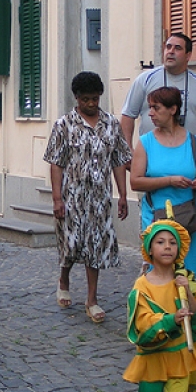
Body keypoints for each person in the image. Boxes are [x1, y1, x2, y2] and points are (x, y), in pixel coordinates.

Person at [43, 71, 131, 323]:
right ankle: (64, 278)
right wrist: (57, 198)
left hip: (100, 198)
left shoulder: (111, 124)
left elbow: (118, 160)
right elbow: (56, 163)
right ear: (77, 98)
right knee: (71, 244)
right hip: (72, 196)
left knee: (95, 246)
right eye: (86, 100)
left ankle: (92, 299)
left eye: (95, 99)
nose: (91, 104)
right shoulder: (64, 125)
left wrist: (123, 194)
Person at [123, 217, 196, 392]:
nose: (167, 247)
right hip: (153, 359)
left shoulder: (183, 281)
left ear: (179, 250)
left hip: (179, 356)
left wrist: (188, 291)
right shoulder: (142, 286)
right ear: (150, 250)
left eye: (172, 243)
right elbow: (143, 324)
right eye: (160, 242)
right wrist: (172, 320)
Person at [130, 87, 196, 283]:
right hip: (157, 218)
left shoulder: (194, 142)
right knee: (160, 273)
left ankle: (190, 311)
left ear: (173, 109)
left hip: (190, 218)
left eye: (156, 108)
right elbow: (135, 181)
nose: (151, 113)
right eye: (150, 108)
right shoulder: (145, 143)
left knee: (190, 271)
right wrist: (169, 181)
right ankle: (162, 312)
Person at [121, 33, 196, 180]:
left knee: (187, 200)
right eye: (168, 47)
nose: (170, 51)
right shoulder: (144, 80)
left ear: (188, 55)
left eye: (177, 48)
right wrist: (127, 150)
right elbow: (128, 115)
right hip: (152, 157)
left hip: (188, 158)